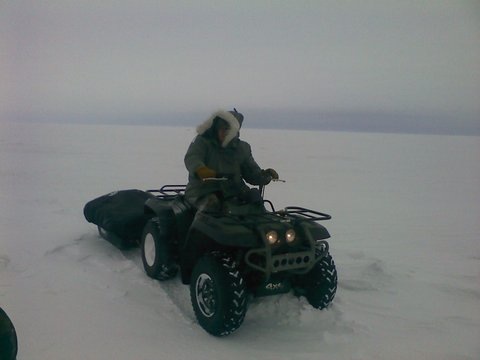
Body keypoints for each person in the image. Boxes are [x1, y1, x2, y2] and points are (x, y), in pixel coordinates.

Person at [184, 109, 278, 212]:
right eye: (222, 129)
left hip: (235, 191)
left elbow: (250, 172)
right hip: (203, 191)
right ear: (216, 128)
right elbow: (192, 157)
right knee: (212, 207)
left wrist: (264, 175)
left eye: (228, 129)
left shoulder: (241, 148)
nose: (224, 132)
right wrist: (201, 170)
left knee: (255, 200)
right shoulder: (203, 142)